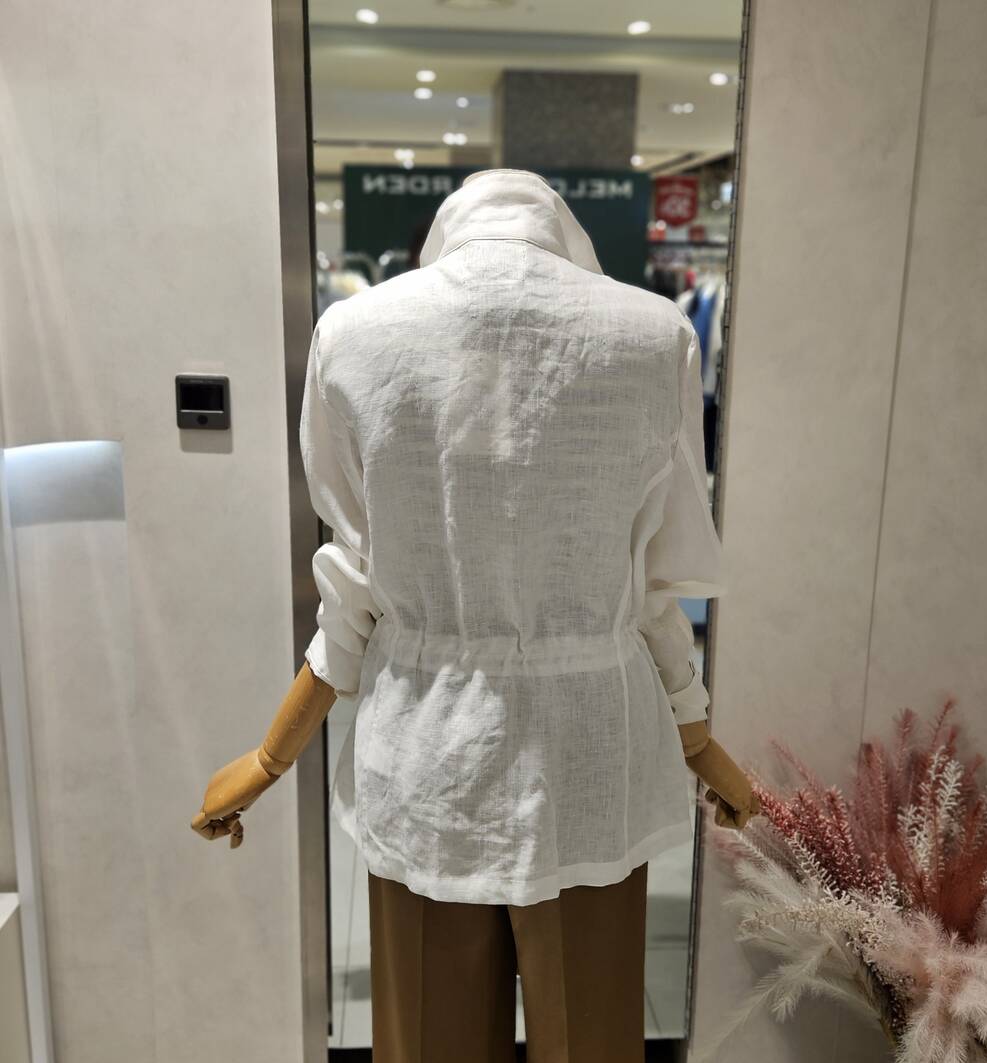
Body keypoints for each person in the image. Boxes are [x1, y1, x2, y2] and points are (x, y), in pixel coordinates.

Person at [192, 168, 759, 1062]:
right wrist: (698, 740)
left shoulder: (355, 335)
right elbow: (653, 592)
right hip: (591, 762)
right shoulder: (652, 336)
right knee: (592, 1039)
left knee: (430, 1037)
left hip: (425, 764)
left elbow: (354, 592)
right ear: (563, 230)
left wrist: (270, 758)